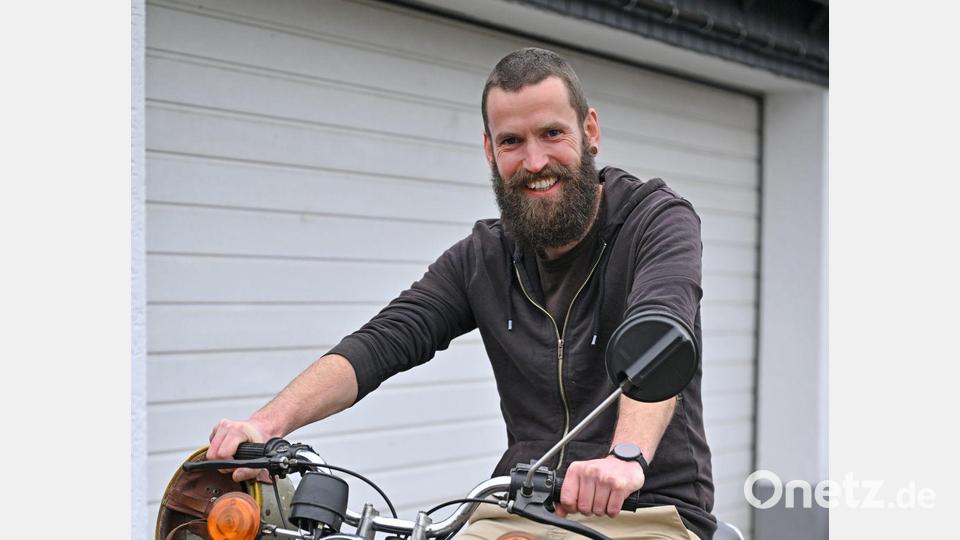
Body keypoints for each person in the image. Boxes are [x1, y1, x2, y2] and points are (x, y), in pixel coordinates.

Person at [207, 47, 716, 540]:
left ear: (590, 131)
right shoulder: (483, 257)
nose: (535, 161)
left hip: (646, 509)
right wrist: (265, 423)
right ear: (490, 151)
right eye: (512, 141)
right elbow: (384, 340)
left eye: (552, 133)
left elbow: (660, 331)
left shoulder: (655, 221)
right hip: (523, 508)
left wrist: (625, 456)